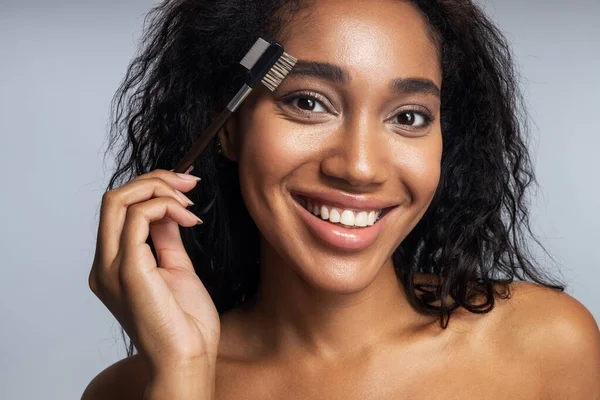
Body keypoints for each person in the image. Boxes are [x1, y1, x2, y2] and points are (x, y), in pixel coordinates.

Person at [82, 0, 600, 399]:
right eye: (308, 103)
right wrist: (183, 374)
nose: (359, 167)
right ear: (229, 129)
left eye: (409, 116)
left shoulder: (546, 344)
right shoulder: (131, 390)